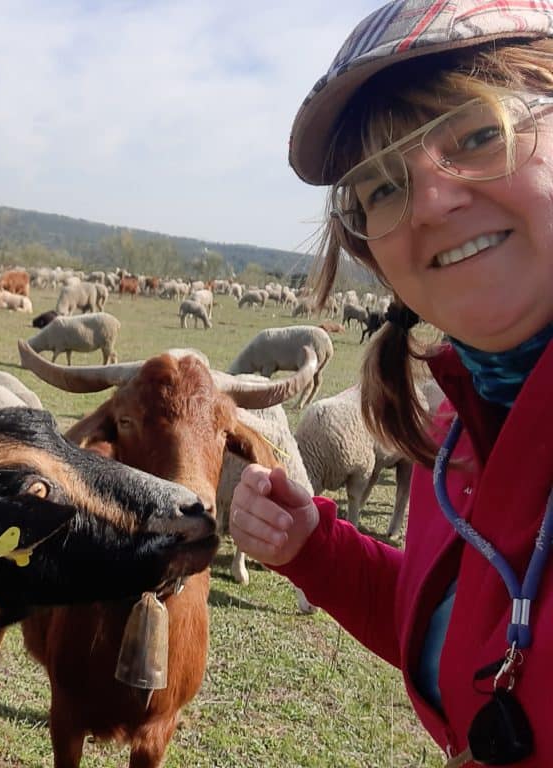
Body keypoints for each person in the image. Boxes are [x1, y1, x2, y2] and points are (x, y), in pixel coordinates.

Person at [229, 1, 553, 765]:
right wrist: (318, 550)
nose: (432, 200)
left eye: (479, 133)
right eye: (381, 186)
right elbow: (466, 620)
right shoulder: (457, 431)